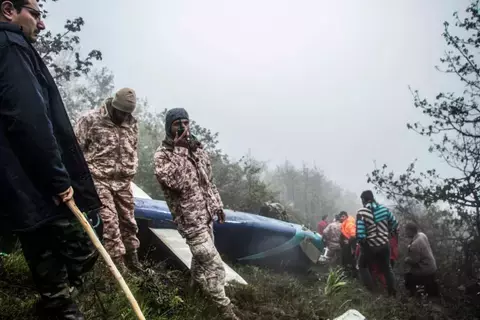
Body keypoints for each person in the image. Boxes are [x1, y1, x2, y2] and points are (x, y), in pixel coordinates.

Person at [0, 1, 103, 318]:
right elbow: (28, 117)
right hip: (33, 179)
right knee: (80, 244)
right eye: (35, 13)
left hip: (19, 179)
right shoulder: (11, 45)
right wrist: (58, 179)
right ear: (8, 10)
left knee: (44, 243)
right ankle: (57, 304)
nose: (41, 24)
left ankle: (54, 301)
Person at [154, 108, 239, 320]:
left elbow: (208, 182)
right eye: (177, 124)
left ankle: (192, 300)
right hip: (190, 222)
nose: (183, 127)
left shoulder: (198, 150)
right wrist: (180, 149)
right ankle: (226, 312)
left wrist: (217, 205)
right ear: (169, 127)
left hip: (206, 217)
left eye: (185, 122)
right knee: (215, 267)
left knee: (200, 266)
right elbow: (177, 182)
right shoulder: (163, 155)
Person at [75, 88, 143, 273]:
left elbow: (133, 148)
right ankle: (118, 268)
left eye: (127, 113)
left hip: (123, 182)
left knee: (129, 222)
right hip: (99, 179)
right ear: (113, 106)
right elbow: (75, 149)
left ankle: (133, 260)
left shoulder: (132, 123)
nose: (123, 116)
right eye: (121, 112)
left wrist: (131, 168)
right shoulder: (90, 119)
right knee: (110, 223)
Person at [356, 190, 397, 296]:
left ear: (364, 200)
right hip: (384, 244)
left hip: (371, 245)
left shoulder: (362, 212)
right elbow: (394, 223)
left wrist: (365, 248)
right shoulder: (384, 209)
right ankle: (392, 293)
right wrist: (388, 234)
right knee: (387, 268)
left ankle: (371, 291)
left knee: (362, 265)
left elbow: (360, 234)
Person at [404, 222, 439, 297]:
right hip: (432, 266)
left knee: (408, 277)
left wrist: (406, 260)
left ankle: (413, 296)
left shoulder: (415, 245)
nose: (405, 232)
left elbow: (414, 261)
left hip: (425, 269)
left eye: (406, 230)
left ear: (410, 231)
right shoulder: (422, 235)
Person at [339, 211, 356, 275]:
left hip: (350, 245)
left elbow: (353, 235)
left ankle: (352, 273)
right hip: (346, 245)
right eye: (341, 217)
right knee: (346, 259)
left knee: (350, 259)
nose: (341, 218)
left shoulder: (349, 223)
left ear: (346, 216)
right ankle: (348, 271)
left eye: (342, 216)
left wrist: (348, 242)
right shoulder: (345, 223)